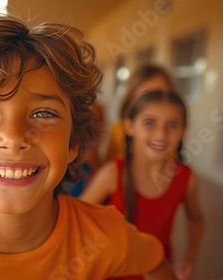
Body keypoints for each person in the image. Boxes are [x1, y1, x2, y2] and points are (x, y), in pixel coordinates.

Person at [0, 12, 177, 279]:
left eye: (44, 114)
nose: (14, 137)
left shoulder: (105, 236)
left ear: (73, 142)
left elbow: (156, 263)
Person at [80, 90, 205, 280]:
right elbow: (75, 220)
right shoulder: (112, 173)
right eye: (150, 122)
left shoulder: (186, 178)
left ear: (184, 131)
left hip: (158, 272)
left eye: (172, 125)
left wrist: (190, 257)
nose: (161, 134)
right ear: (129, 126)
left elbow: (196, 220)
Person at [106, 64, 175, 162]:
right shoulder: (117, 131)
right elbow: (107, 165)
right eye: (147, 95)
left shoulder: (169, 134)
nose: (155, 103)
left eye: (160, 94)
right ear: (131, 98)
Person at [67, 102, 107, 197]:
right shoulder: (69, 164)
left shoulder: (103, 164)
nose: (94, 126)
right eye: (88, 121)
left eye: (98, 121)